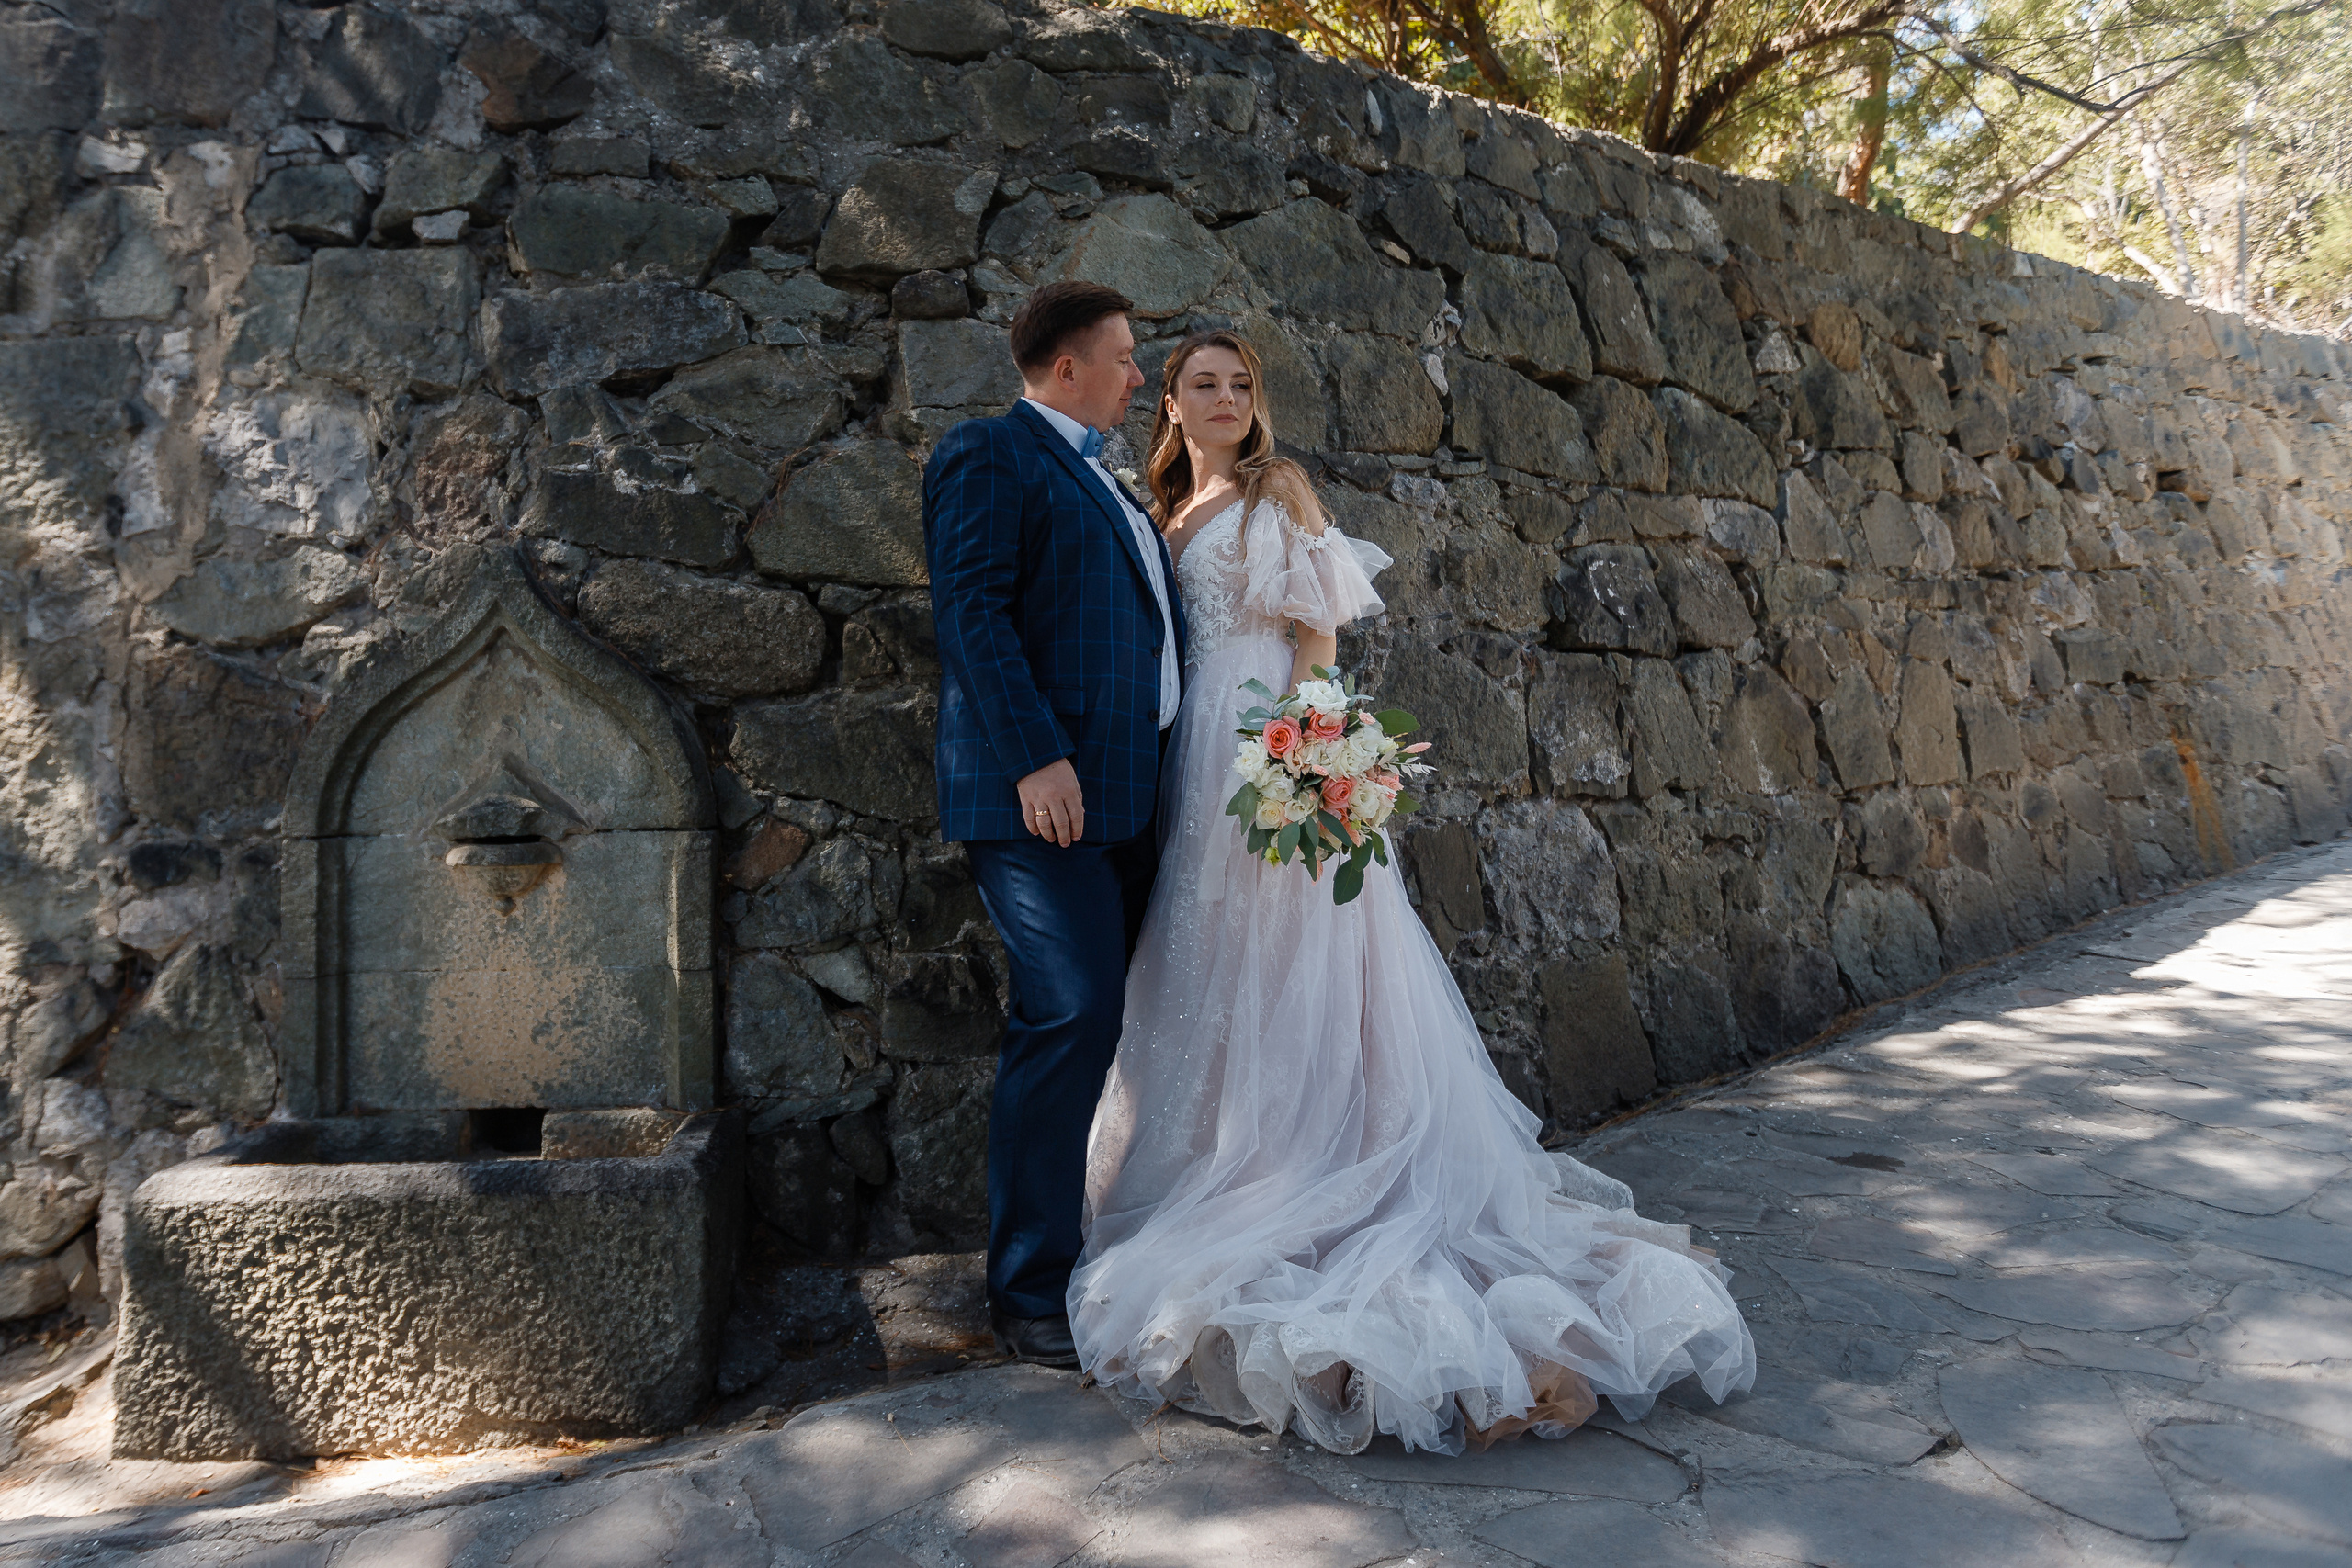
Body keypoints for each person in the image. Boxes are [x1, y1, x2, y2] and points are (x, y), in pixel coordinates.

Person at [1068, 329, 1757, 1455]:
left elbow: (1319, 639)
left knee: (1293, 956)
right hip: (1181, 757)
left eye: (1242, 384)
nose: (1229, 398)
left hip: (1262, 748)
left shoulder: (1274, 488)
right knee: (1199, 969)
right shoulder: (1157, 509)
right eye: (1205, 383)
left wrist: (1298, 759)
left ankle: (1326, 1178)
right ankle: (1203, 1156)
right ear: (1170, 408)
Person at [922, 280, 1185, 1370]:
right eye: (1124, 358)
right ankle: (1026, 1289)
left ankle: (1085, 1248)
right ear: (1067, 365)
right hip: (1040, 796)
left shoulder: (1109, 480)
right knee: (1069, 1010)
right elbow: (970, 607)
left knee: (1113, 1018)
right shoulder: (989, 452)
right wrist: (1036, 756)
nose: (1139, 376)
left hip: (1126, 802)